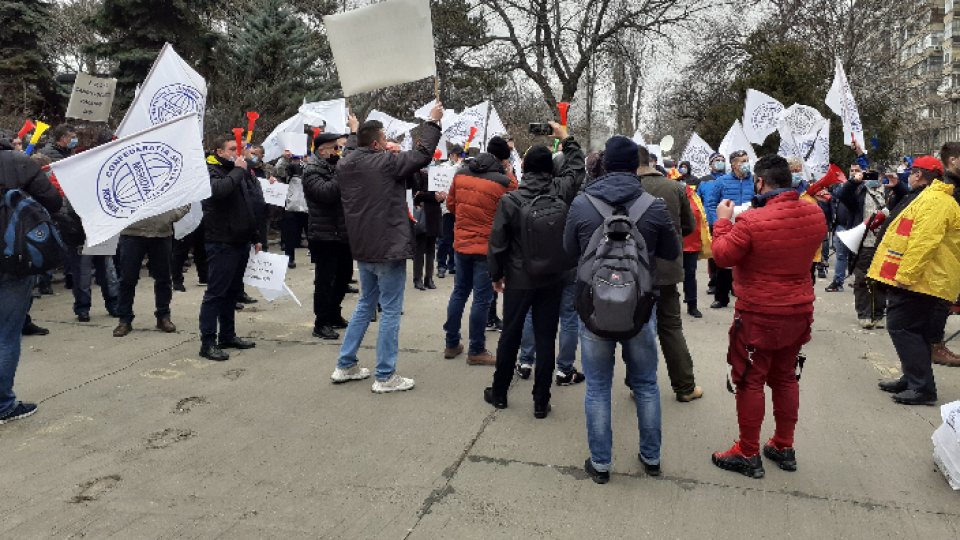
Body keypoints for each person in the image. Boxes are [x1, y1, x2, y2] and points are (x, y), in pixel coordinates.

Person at [564, 135, 680, 484]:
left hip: (594, 310)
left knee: (597, 387)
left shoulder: (582, 203)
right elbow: (672, 253)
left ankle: (601, 464)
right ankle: (652, 457)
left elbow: (569, 250)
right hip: (640, 309)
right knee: (646, 384)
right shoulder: (654, 205)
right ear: (636, 165)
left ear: (604, 163)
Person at [709, 155, 826, 479]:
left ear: (760, 182)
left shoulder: (751, 222)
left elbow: (722, 256)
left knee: (750, 380)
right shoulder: (814, 214)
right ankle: (783, 445)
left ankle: (748, 452)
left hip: (759, 314)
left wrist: (722, 221)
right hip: (798, 310)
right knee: (786, 377)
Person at [331, 105, 443, 393]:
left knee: (366, 303)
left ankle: (345, 364)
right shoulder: (385, 163)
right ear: (377, 143)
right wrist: (432, 123)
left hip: (364, 246)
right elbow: (421, 155)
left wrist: (355, 131)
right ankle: (385, 375)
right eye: (383, 138)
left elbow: (357, 150)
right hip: (387, 246)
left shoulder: (345, 163)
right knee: (391, 310)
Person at [484, 122, 585, 418]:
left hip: (519, 277)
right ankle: (541, 400)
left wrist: (495, 275)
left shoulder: (511, 200)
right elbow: (576, 168)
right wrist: (567, 139)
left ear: (524, 168)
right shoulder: (561, 192)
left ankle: (500, 392)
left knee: (510, 335)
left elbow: (497, 243)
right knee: (545, 337)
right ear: (551, 170)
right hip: (553, 276)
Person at [873, 156, 960, 405]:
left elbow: (923, 243)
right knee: (915, 331)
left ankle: (921, 387)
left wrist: (905, 276)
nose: (908, 176)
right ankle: (912, 379)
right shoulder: (931, 197)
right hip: (924, 279)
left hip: (921, 280)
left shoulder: (934, 201)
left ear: (918, 174)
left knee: (902, 327)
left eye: (911, 172)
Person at [0, 130, 62, 424]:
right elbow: (53, 201)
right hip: (14, 257)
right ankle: (3, 405)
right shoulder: (18, 162)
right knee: (6, 334)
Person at [442, 135, 517, 366]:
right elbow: (515, 205)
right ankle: (476, 349)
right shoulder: (503, 182)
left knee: (459, 293)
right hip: (487, 247)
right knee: (482, 299)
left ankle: (452, 343)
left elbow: (451, 205)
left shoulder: (461, 173)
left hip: (462, 242)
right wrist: (509, 171)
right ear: (503, 159)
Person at [637, 146, 703, 402]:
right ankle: (685, 387)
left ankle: (637, 383)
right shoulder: (675, 188)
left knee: (638, 328)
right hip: (666, 268)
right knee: (671, 326)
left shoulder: (627, 188)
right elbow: (689, 225)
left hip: (634, 270)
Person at [197, 137, 266, 361]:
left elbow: (248, 204)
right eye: (232, 149)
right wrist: (237, 171)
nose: (238, 152)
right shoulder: (210, 170)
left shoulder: (239, 171)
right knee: (215, 294)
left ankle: (227, 335)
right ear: (219, 151)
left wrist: (255, 235)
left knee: (231, 293)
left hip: (240, 240)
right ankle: (207, 342)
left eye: (239, 149)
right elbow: (219, 191)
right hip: (221, 241)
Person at [303, 131, 353, 340]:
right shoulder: (312, 170)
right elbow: (326, 193)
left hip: (342, 232)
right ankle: (321, 322)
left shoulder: (333, 166)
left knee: (344, 276)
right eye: (335, 148)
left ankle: (334, 312)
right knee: (325, 280)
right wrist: (342, 171)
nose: (338, 151)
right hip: (323, 235)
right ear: (322, 150)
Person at [112, 205, 189, 337]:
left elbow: (185, 194)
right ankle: (124, 319)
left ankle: (163, 316)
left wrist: (171, 216)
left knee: (163, 278)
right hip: (131, 232)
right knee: (127, 279)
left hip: (161, 232)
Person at [706, 150, 754, 308]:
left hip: (747, 225)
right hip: (727, 224)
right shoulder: (722, 182)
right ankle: (721, 297)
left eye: (747, 160)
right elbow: (711, 204)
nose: (746, 164)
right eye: (742, 161)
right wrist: (717, 222)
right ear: (733, 164)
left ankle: (740, 291)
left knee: (746, 260)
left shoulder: (753, 181)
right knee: (724, 260)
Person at [697, 153, 726, 295]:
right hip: (710, 222)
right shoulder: (704, 181)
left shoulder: (729, 179)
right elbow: (698, 201)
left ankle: (729, 283)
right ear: (710, 164)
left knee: (728, 252)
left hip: (727, 220)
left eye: (722, 160)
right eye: (717, 161)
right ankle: (713, 282)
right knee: (714, 254)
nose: (720, 163)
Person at [682, 181, 711, 318]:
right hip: (673, 242)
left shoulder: (694, 196)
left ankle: (691, 304)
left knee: (690, 275)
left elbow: (701, 217)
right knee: (669, 277)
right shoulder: (670, 195)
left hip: (692, 243)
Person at [413, 166, 444, 290]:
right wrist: (433, 196)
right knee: (420, 249)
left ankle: (429, 278)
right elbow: (416, 194)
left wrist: (441, 197)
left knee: (431, 248)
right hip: (423, 213)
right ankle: (418, 278)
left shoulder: (436, 171)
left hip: (434, 213)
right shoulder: (415, 172)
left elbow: (441, 191)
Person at [437, 145, 463, 278]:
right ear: (451, 155)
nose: (458, 158)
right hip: (447, 207)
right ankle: (441, 265)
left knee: (456, 238)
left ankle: (453, 264)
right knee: (445, 238)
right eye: (456, 155)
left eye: (460, 155)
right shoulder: (444, 167)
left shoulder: (463, 167)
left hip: (460, 207)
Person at [280, 155, 308, 268]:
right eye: (294, 160)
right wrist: (285, 158)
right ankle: (289, 258)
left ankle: (317, 256)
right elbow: (279, 170)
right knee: (290, 235)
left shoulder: (308, 168)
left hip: (306, 207)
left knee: (311, 234)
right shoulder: (287, 170)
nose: (297, 162)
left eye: (298, 159)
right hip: (291, 207)